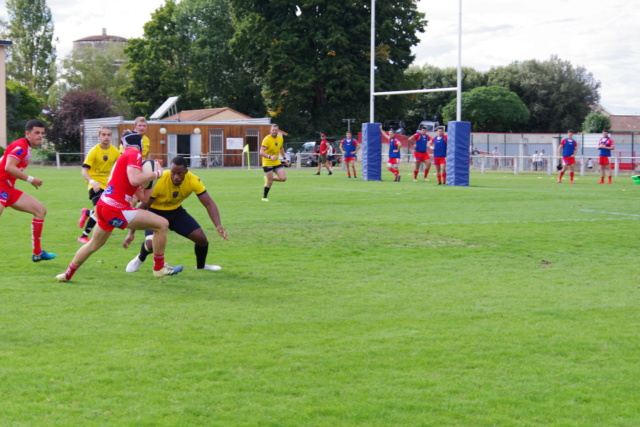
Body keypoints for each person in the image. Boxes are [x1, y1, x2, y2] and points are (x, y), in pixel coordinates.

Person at [56, 131, 183, 282]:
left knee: (93, 244)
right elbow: (135, 179)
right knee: (162, 224)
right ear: (140, 144)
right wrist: (156, 173)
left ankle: (67, 274)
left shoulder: (123, 159)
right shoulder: (134, 153)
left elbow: (143, 197)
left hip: (104, 207)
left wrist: (151, 181)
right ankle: (159, 268)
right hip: (116, 209)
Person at [123, 156, 228, 273]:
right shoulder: (160, 180)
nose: (176, 177)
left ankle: (201, 267)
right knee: (151, 245)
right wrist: (131, 233)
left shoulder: (193, 180)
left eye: (180, 173)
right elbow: (143, 207)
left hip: (176, 212)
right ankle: (140, 258)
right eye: (173, 173)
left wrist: (218, 225)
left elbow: (208, 203)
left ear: (186, 172)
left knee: (201, 239)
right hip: (155, 213)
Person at [0, 119, 56, 262]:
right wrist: (31, 179)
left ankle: (37, 253)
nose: (40, 136)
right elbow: (9, 167)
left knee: (40, 210)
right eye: (36, 133)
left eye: (42, 134)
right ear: (28, 133)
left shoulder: (27, 147)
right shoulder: (21, 146)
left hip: (8, 187)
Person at [77, 127, 121, 243]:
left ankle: (87, 213)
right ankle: (83, 236)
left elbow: (121, 166)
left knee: (105, 213)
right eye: (104, 135)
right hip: (95, 184)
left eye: (108, 135)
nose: (106, 137)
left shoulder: (115, 151)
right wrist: (92, 182)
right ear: (99, 136)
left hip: (108, 186)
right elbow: (84, 171)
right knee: (99, 212)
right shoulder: (94, 151)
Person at [260, 124, 289, 201]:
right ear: (270, 130)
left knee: (283, 178)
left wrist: (285, 158)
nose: (274, 131)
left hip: (276, 162)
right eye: (273, 130)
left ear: (278, 131)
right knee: (269, 182)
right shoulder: (267, 139)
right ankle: (264, 197)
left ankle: (269, 178)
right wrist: (270, 157)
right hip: (267, 162)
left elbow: (281, 148)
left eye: (276, 130)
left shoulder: (280, 139)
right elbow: (261, 152)